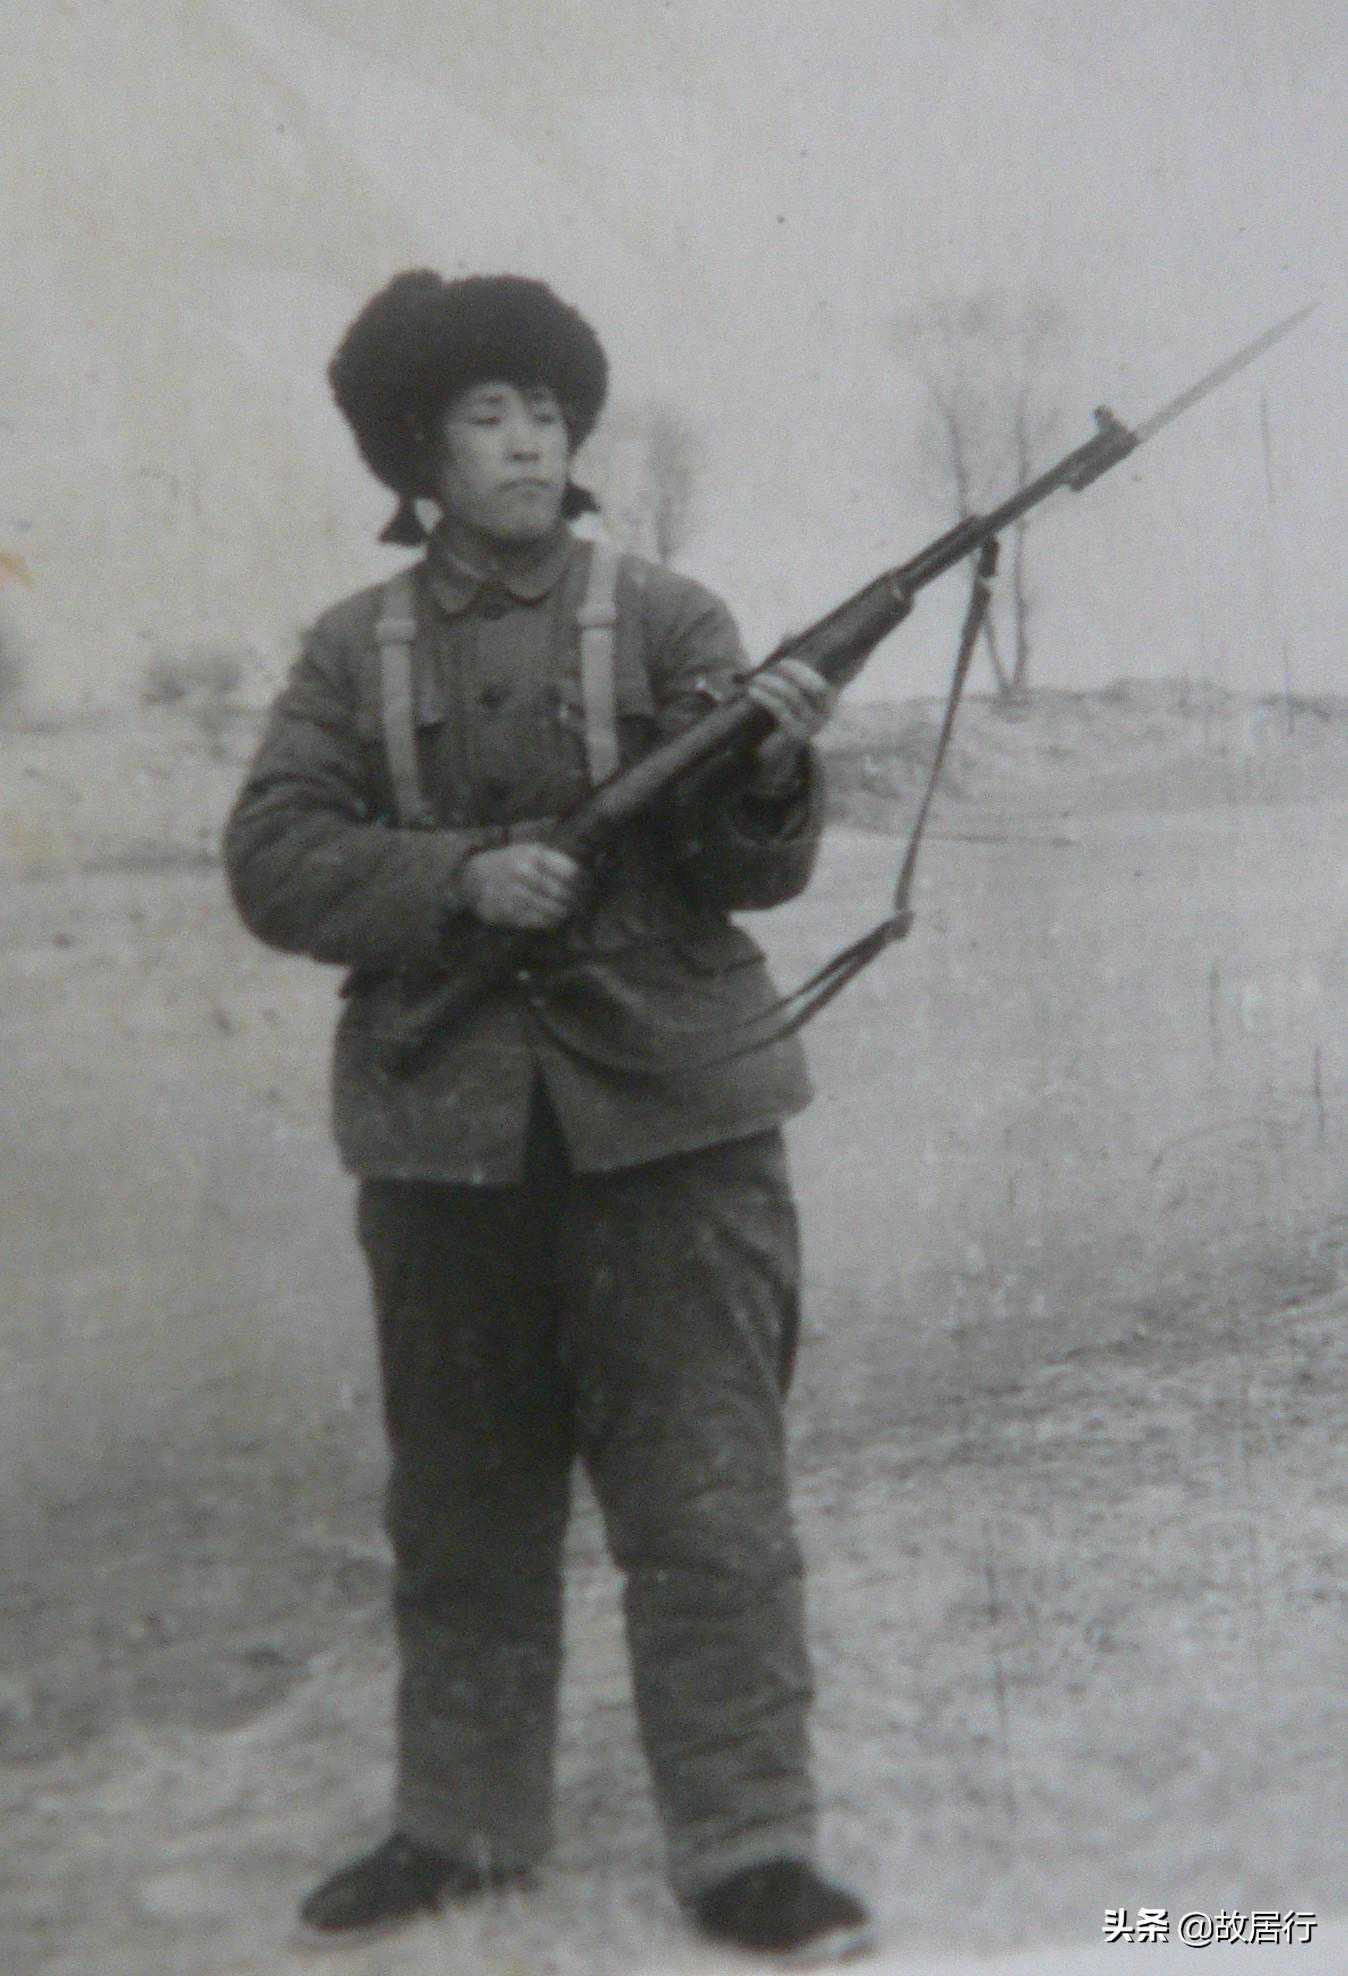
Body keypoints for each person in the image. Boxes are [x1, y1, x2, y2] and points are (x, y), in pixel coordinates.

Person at [223, 269, 876, 1964]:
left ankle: (750, 1848)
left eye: (547, 414)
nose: (530, 443)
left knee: (708, 1504)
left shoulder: (670, 617)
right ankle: (462, 1825)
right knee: (461, 1510)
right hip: (446, 1142)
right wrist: (459, 878)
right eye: (488, 417)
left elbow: (756, 871)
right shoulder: (346, 651)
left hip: (675, 1127)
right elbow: (273, 858)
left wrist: (773, 767)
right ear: (418, 458)